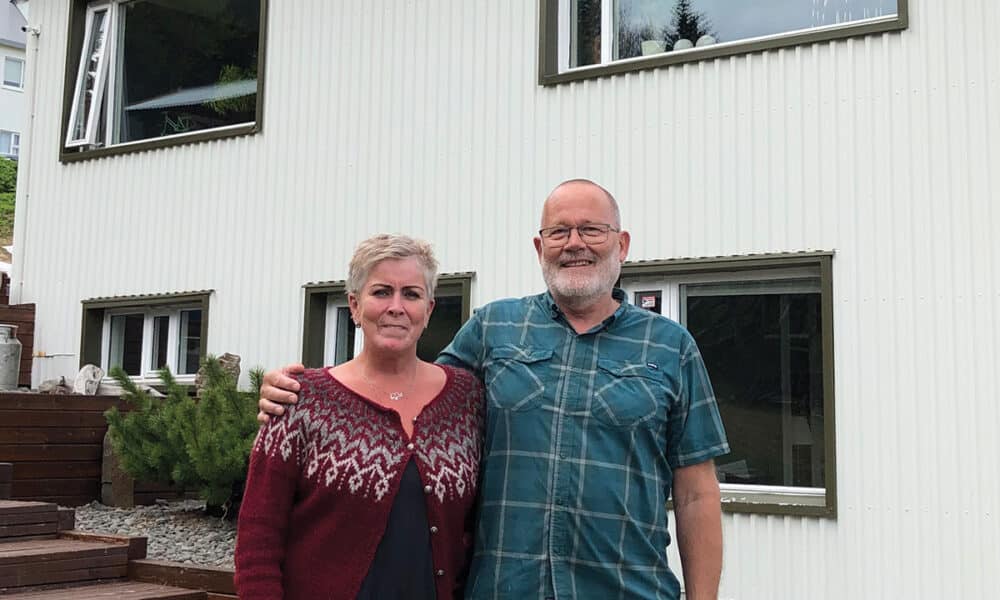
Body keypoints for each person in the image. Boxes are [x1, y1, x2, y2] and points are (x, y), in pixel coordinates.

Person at [259, 180, 729, 599]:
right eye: (559, 232)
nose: (574, 244)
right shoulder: (494, 329)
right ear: (538, 245)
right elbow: (406, 393)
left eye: (592, 230)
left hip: (628, 588)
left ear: (621, 244)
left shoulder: (670, 346)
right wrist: (303, 392)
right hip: (504, 587)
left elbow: (696, 495)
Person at [236, 234, 485, 600]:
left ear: (429, 309)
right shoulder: (300, 400)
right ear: (354, 305)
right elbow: (258, 540)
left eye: (411, 294)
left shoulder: (466, 399)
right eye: (382, 292)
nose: (396, 307)